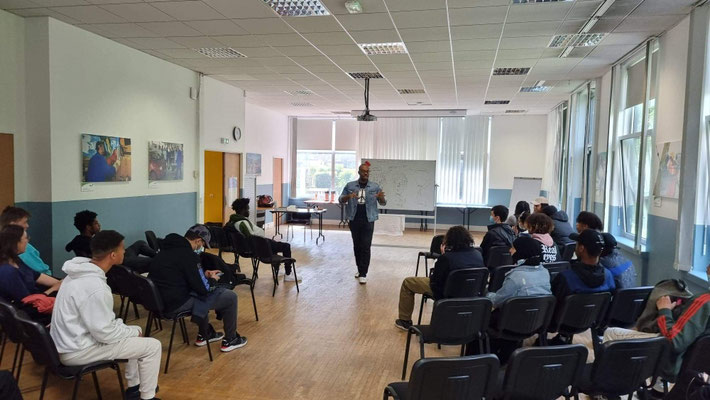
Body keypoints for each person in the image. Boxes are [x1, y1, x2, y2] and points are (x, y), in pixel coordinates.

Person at [50, 230, 161, 400]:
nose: (125, 252)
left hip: (67, 342)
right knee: (152, 346)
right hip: (77, 350)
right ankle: (147, 397)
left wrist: (130, 330)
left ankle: (135, 388)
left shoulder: (74, 274)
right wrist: (131, 332)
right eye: (122, 249)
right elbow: (104, 333)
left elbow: (100, 325)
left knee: (134, 331)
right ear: (113, 255)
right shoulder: (95, 287)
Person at [148, 224, 247, 352]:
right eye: (202, 244)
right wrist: (212, 279)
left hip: (158, 302)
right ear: (198, 241)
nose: (202, 248)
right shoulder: (190, 256)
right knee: (229, 297)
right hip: (175, 305)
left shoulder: (165, 250)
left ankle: (205, 334)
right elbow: (204, 289)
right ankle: (231, 339)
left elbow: (179, 274)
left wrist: (203, 274)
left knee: (198, 292)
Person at [394, 226, 484, 331]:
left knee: (408, 282)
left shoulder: (446, 258)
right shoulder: (478, 255)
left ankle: (404, 321)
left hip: (447, 292)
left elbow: (435, 281)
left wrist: (443, 255)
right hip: (470, 291)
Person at [227, 198, 299, 282]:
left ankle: (277, 270)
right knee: (286, 246)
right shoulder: (242, 223)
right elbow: (251, 237)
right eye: (247, 209)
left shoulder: (234, 221)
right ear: (243, 210)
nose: (249, 211)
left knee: (275, 245)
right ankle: (288, 274)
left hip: (259, 243)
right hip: (259, 246)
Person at [339, 161, 386, 284]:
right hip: (354, 219)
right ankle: (360, 269)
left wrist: (380, 197)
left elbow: (383, 202)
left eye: (367, 171)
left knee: (366, 245)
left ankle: (363, 273)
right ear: (359, 172)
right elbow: (341, 199)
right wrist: (348, 197)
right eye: (364, 171)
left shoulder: (375, 186)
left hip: (368, 219)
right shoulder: (350, 186)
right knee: (357, 246)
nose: (366, 173)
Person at [65, 210, 156, 272]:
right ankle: (160, 258)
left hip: (119, 256)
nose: (99, 225)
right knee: (152, 262)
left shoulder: (78, 240)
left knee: (139, 243)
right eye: (96, 223)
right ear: (88, 227)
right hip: (121, 263)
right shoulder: (94, 244)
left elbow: (68, 247)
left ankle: (159, 255)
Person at [551, 229, 615, 306]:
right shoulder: (608, 276)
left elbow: (553, 306)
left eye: (577, 244)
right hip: (596, 318)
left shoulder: (565, 278)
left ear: (581, 248)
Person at [0, 225, 62, 304]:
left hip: (36, 298)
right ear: (16, 243)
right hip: (29, 310)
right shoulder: (7, 271)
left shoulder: (16, 260)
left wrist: (61, 283)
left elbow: (37, 276)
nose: (27, 241)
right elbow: (26, 302)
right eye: (25, 238)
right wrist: (53, 289)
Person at [487, 236, 551, 308]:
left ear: (521, 252)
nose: (510, 250)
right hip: (540, 317)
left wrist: (488, 294)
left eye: (513, 248)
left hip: (514, 317)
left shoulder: (515, 277)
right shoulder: (545, 272)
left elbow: (497, 302)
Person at [0, 206, 53, 275]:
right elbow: (41, 272)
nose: (27, 225)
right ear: (13, 224)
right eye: (25, 222)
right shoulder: (24, 249)